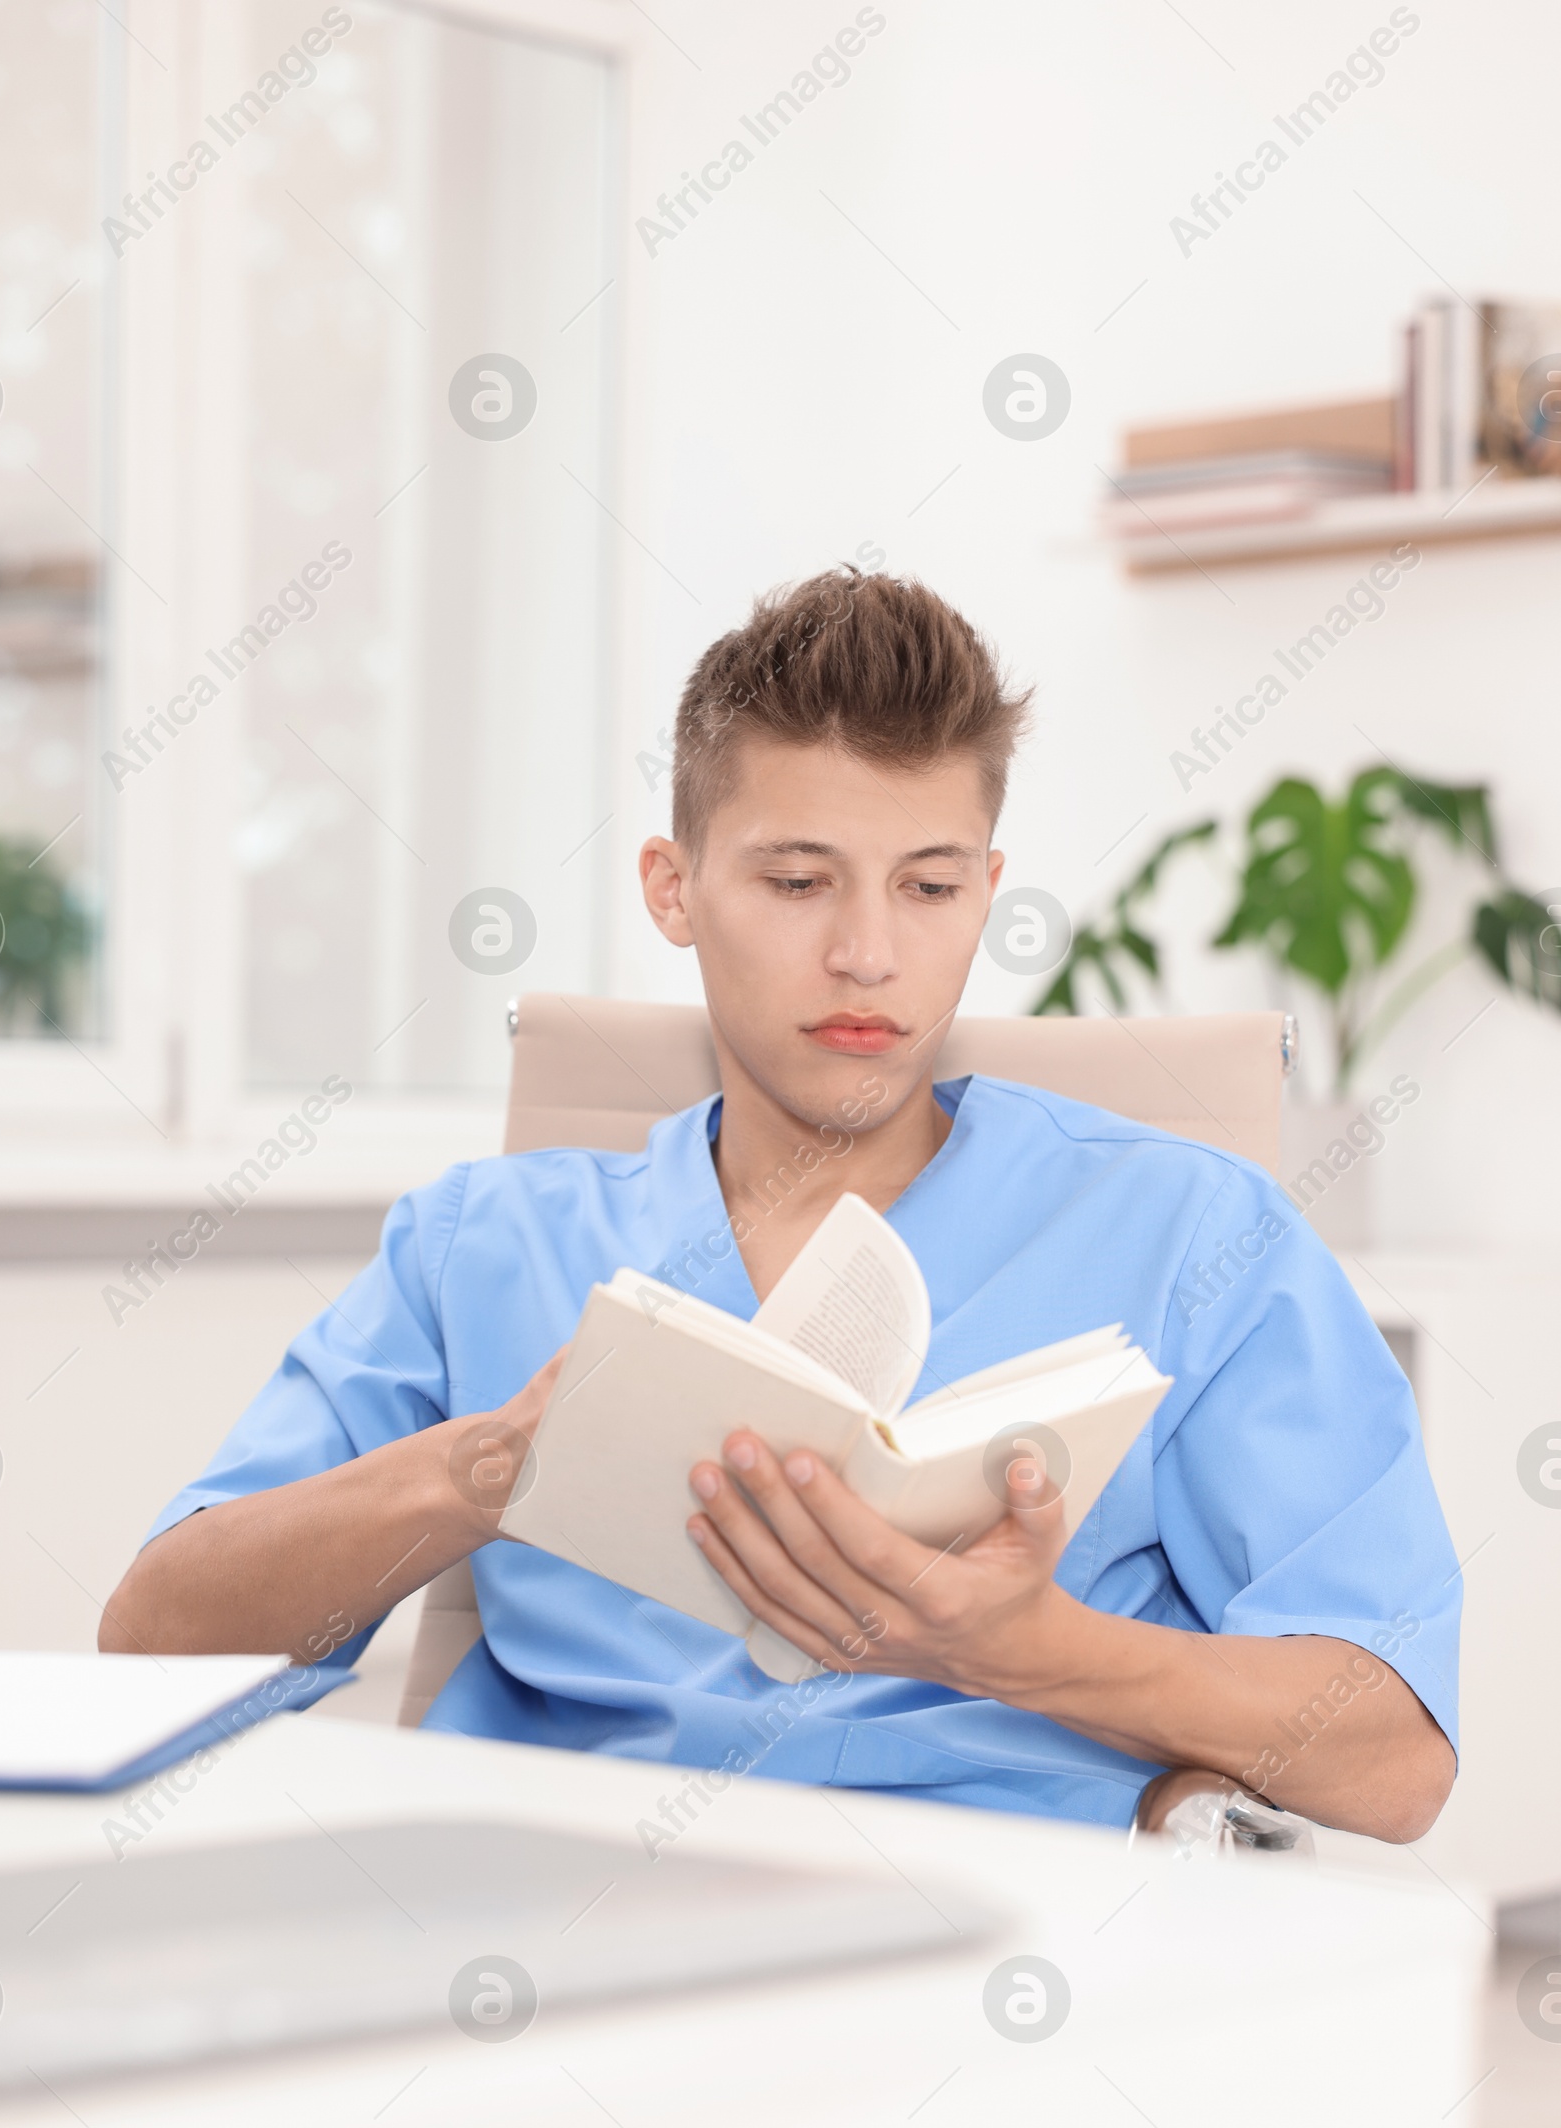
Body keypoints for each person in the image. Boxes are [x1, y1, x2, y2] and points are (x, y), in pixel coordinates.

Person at [102, 568, 1459, 1838]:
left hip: (1003, 1959)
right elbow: (153, 1647)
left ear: (987, 893)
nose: (868, 953)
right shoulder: (488, 1244)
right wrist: (489, 1469)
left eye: (928, 887)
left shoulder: (1192, 1238)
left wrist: (1026, 1651)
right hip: (567, 1934)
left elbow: (1394, 1757)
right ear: (675, 889)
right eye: (799, 882)